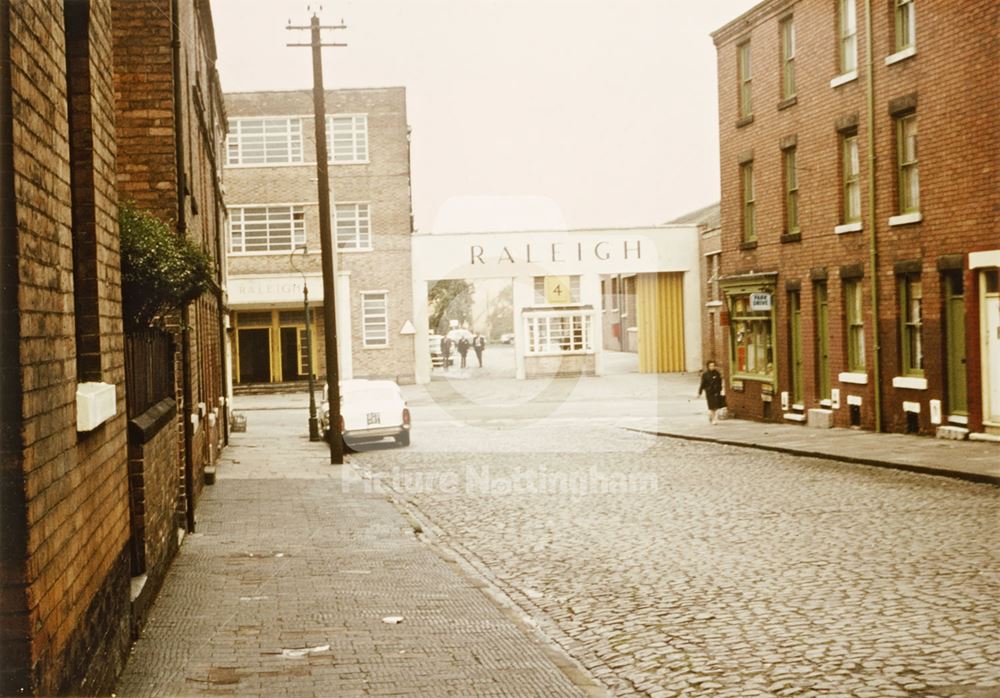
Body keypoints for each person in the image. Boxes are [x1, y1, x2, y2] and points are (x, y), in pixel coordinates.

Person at [697, 360, 725, 425]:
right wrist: (700, 392)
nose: (712, 367)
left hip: (716, 392)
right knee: (712, 407)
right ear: (708, 367)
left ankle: (711, 417)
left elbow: (720, 382)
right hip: (709, 392)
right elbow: (703, 384)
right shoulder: (705, 374)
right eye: (711, 366)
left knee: (716, 407)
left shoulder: (717, 373)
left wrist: (720, 389)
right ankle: (713, 419)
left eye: (713, 365)